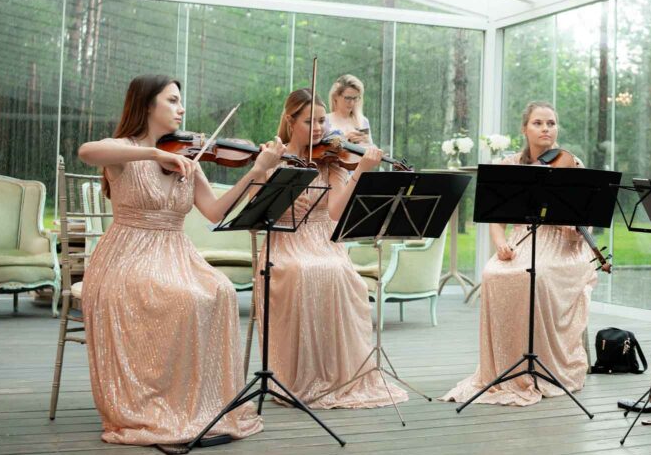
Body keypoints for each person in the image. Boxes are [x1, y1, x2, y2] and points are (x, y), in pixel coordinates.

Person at [77, 74, 279, 447]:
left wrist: (256, 171)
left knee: (220, 291)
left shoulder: (190, 158)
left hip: (175, 252)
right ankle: (160, 404)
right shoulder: (123, 151)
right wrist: (155, 153)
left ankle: (196, 403)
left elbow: (215, 212)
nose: (181, 109)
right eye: (172, 100)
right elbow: (87, 152)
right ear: (146, 104)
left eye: (180, 101)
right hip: (128, 255)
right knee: (181, 298)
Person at [253, 88, 407, 409]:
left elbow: (335, 211)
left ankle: (336, 373)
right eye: (310, 121)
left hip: (323, 241)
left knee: (341, 273)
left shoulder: (330, 160)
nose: (319, 128)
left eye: (322, 121)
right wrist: (274, 183)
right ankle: (301, 374)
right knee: (301, 271)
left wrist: (360, 170)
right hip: (286, 241)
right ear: (290, 121)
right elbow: (259, 211)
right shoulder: (273, 156)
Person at [442, 101, 597, 406]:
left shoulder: (573, 164)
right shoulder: (510, 165)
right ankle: (505, 363)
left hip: (564, 247)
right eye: (538, 123)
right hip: (523, 240)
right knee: (493, 273)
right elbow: (497, 221)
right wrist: (501, 244)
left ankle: (546, 362)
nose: (545, 129)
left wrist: (575, 230)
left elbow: (586, 217)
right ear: (525, 129)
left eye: (551, 123)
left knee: (537, 277)